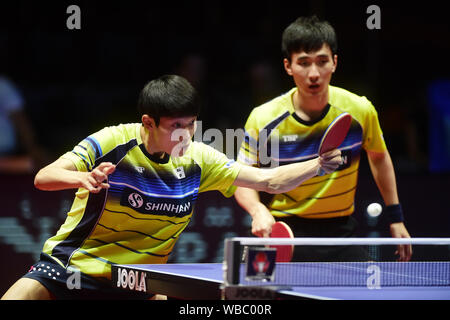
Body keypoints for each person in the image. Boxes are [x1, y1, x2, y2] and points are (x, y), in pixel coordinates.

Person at [1, 74, 341, 300]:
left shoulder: (199, 158)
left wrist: (318, 164)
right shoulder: (112, 141)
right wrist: (81, 177)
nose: (186, 135)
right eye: (176, 126)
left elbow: (268, 180)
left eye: (191, 125)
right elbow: (43, 176)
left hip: (140, 282)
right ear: (148, 122)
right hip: (71, 269)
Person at [234, 16, 412, 262]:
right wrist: (258, 210)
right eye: (304, 63)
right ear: (288, 66)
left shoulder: (359, 110)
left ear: (335, 63)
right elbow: (240, 178)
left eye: (322, 61)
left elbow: (379, 158)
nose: (314, 73)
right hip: (286, 231)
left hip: (340, 232)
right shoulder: (263, 118)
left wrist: (396, 218)